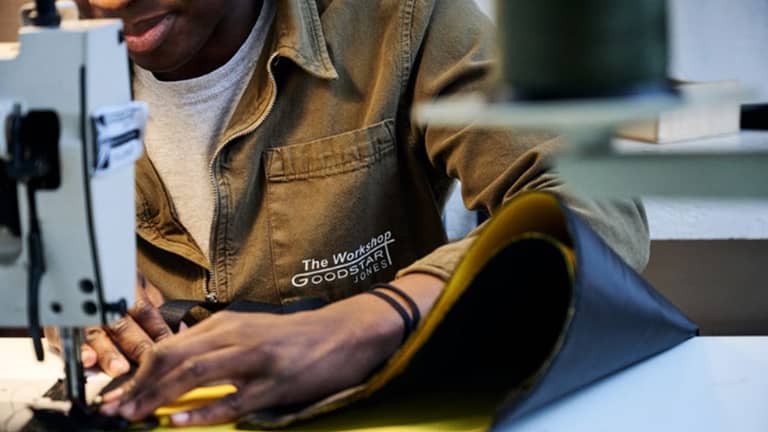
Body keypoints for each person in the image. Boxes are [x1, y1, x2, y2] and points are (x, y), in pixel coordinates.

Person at [66, 0, 650, 427]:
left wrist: (377, 315)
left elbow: (597, 206)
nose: (110, 2)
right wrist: (64, 279)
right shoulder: (57, 57)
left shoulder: (401, 22)